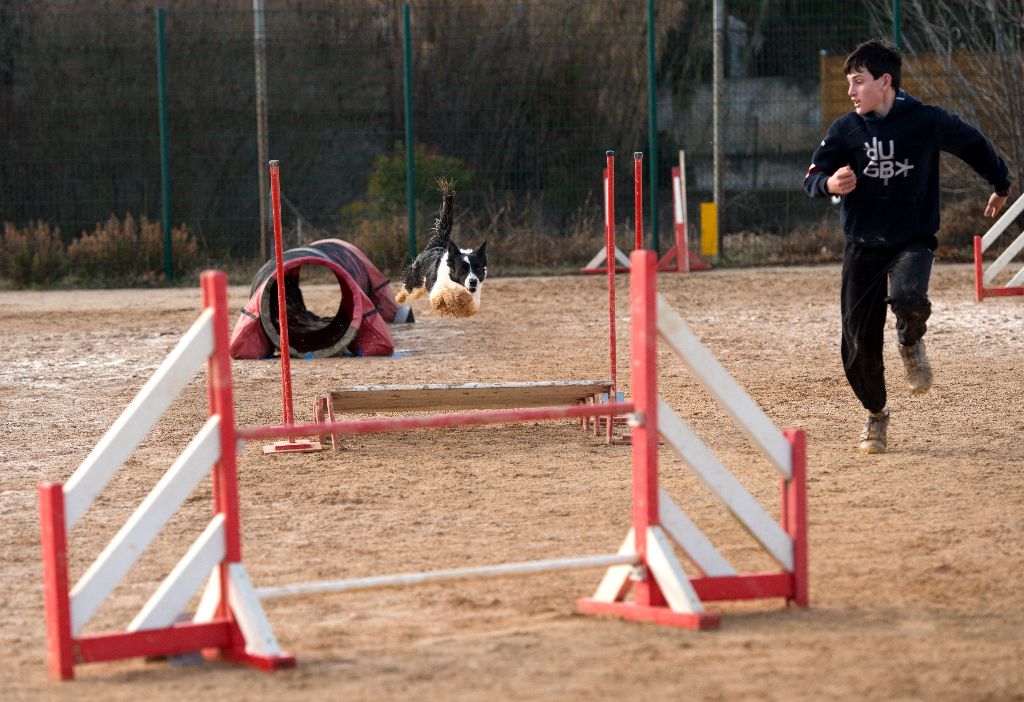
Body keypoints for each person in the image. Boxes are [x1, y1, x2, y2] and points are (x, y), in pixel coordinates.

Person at [803, 38, 1011, 454]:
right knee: (857, 345)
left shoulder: (925, 120)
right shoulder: (845, 129)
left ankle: (910, 341)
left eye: (858, 82)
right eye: (849, 83)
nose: (851, 91)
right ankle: (877, 415)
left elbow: (972, 143)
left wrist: (1000, 183)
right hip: (862, 245)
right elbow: (813, 174)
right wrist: (828, 183)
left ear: (885, 81)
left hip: (912, 240)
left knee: (909, 296)